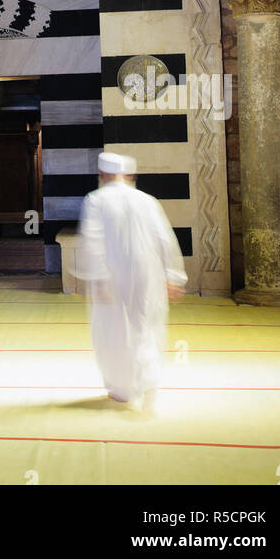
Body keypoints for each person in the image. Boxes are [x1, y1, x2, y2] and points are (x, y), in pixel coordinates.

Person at [76, 150, 187, 413]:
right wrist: (173, 276)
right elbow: (165, 239)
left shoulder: (96, 200)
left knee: (113, 330)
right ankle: (148, 382)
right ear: (128, 175)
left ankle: (122, 389)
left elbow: (93, 240)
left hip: (112, 275)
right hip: (148, 273)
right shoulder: (146, 200)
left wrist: (98, 278)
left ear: (102, 174)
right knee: (145, 325)